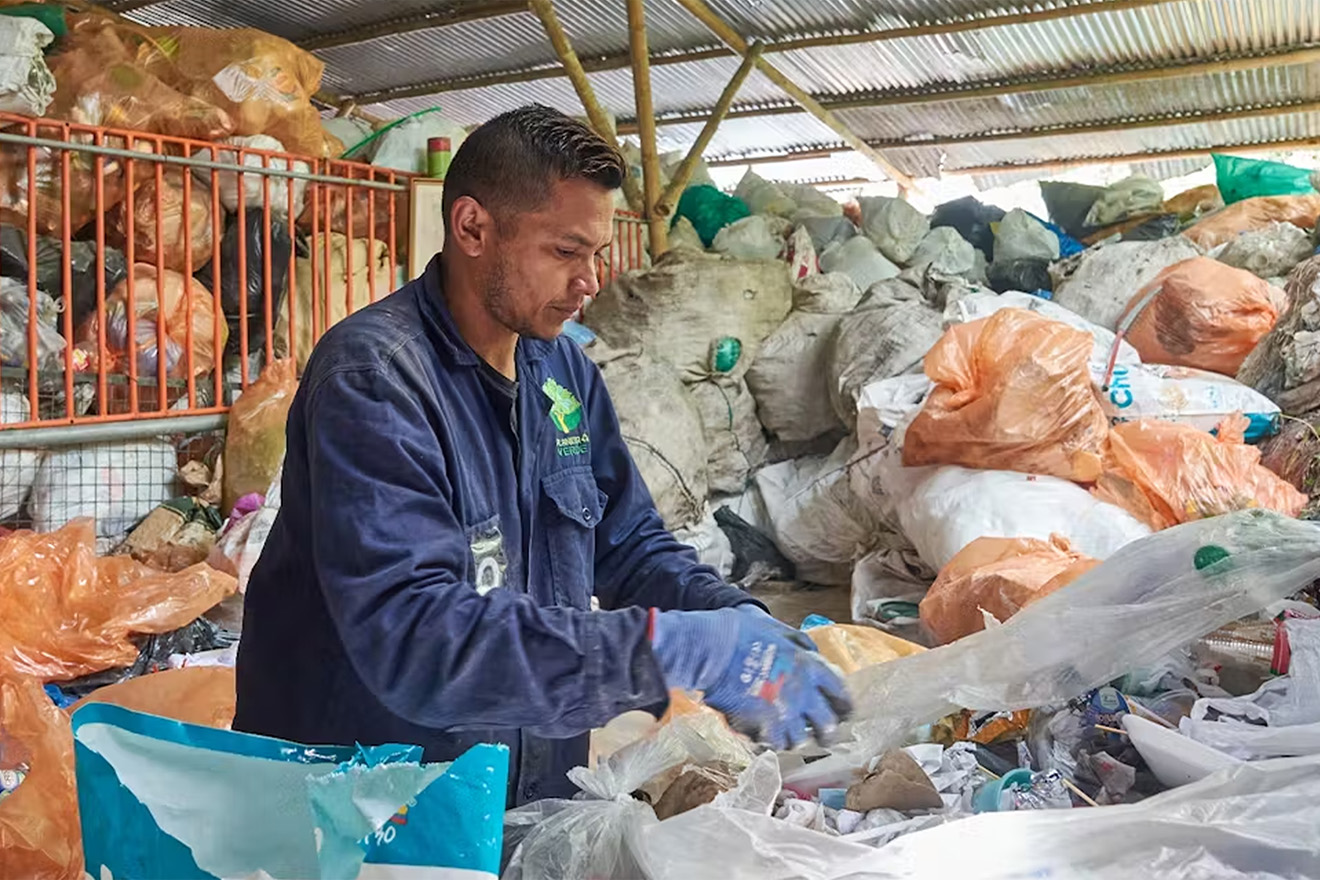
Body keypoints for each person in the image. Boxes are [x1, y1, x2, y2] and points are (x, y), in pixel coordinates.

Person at [233, 104, 850, 805]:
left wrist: (735, 620)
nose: (589, 282)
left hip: (521, 785)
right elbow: (417, 637)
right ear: (472, 228)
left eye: (595, 253)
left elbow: (629, 545)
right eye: (565, 252)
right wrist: (674, 647)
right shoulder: (376, 380)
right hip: (371, 804)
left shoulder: (560, 373)